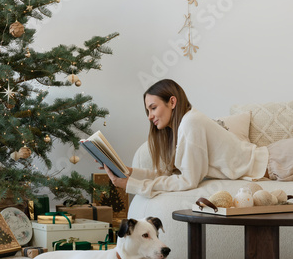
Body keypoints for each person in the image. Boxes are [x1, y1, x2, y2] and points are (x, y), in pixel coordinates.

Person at [104, 79, 293, 198]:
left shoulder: (191, 122)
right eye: (147, 110)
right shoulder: (183, 126)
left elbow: (188, 181)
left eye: (153, 108)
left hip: (279, 160)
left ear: (172, 102)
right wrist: (131, 173)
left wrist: (134, 185)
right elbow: (172, 174)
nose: (149, 116)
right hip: (276, 160)